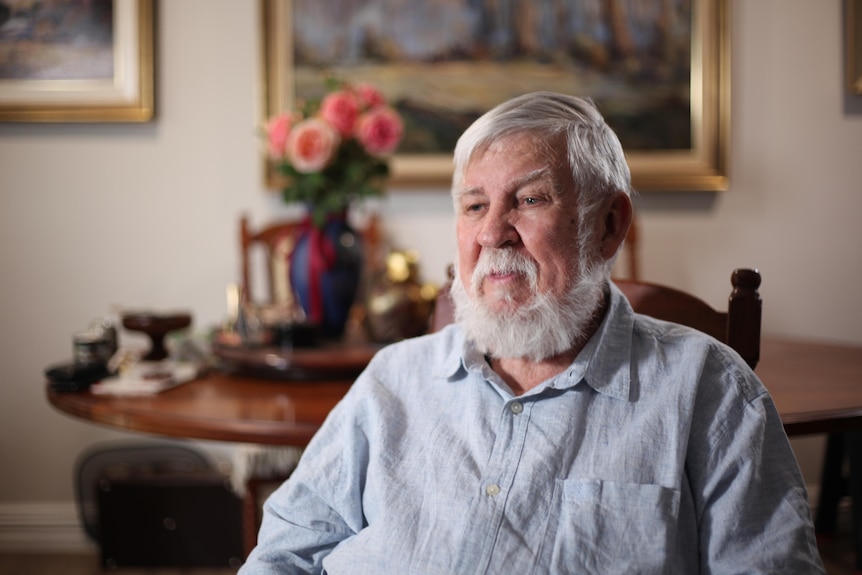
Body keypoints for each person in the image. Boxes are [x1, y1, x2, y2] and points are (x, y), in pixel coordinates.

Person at [239, 92, 824, 574]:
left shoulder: (711, 392)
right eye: (473, 206)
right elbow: (283, 556)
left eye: (529, 200)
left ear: (608, 225)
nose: (493, 233)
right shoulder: (391, 381)